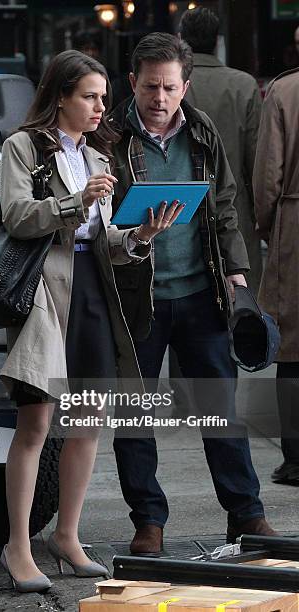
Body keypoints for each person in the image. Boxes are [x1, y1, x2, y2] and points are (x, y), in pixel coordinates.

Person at [0, 49, 182, 592]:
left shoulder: (100, 159)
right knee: (36, 424)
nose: (103, 107)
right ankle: (17, 546)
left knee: (88, 421)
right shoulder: (23, 147)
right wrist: (75, 203)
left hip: (94, 292)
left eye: (104, 97)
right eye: (90, 97)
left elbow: (102, 243)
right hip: (46, 297)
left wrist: (142, 236)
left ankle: (67, 536)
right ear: (60, 96)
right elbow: (17, 216)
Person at [110, 32, 276, 555]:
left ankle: (246, 515)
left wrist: (238, 276)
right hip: (136, 298)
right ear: (132, 82)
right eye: (150, 87)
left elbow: (223, 205)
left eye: (170, 88)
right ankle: (149, 522)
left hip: (202, 293)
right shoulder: (110, 138)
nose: (159, 99)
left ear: (186, 86)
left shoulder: (201, 131)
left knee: (219, 408)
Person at [179, 7, 263, 296]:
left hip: (180, 211)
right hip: (235, 212)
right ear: (218, 41)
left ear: (181, 40)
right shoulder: (244, 85)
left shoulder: (170, 89)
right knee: (241, 304)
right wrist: (259, 214)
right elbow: (257, 159)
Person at [253, 66, 299, 485]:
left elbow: (269, 173)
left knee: (292, 346)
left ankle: (297, 458)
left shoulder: (284, 90)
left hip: (296, 224)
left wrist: (267, 224)